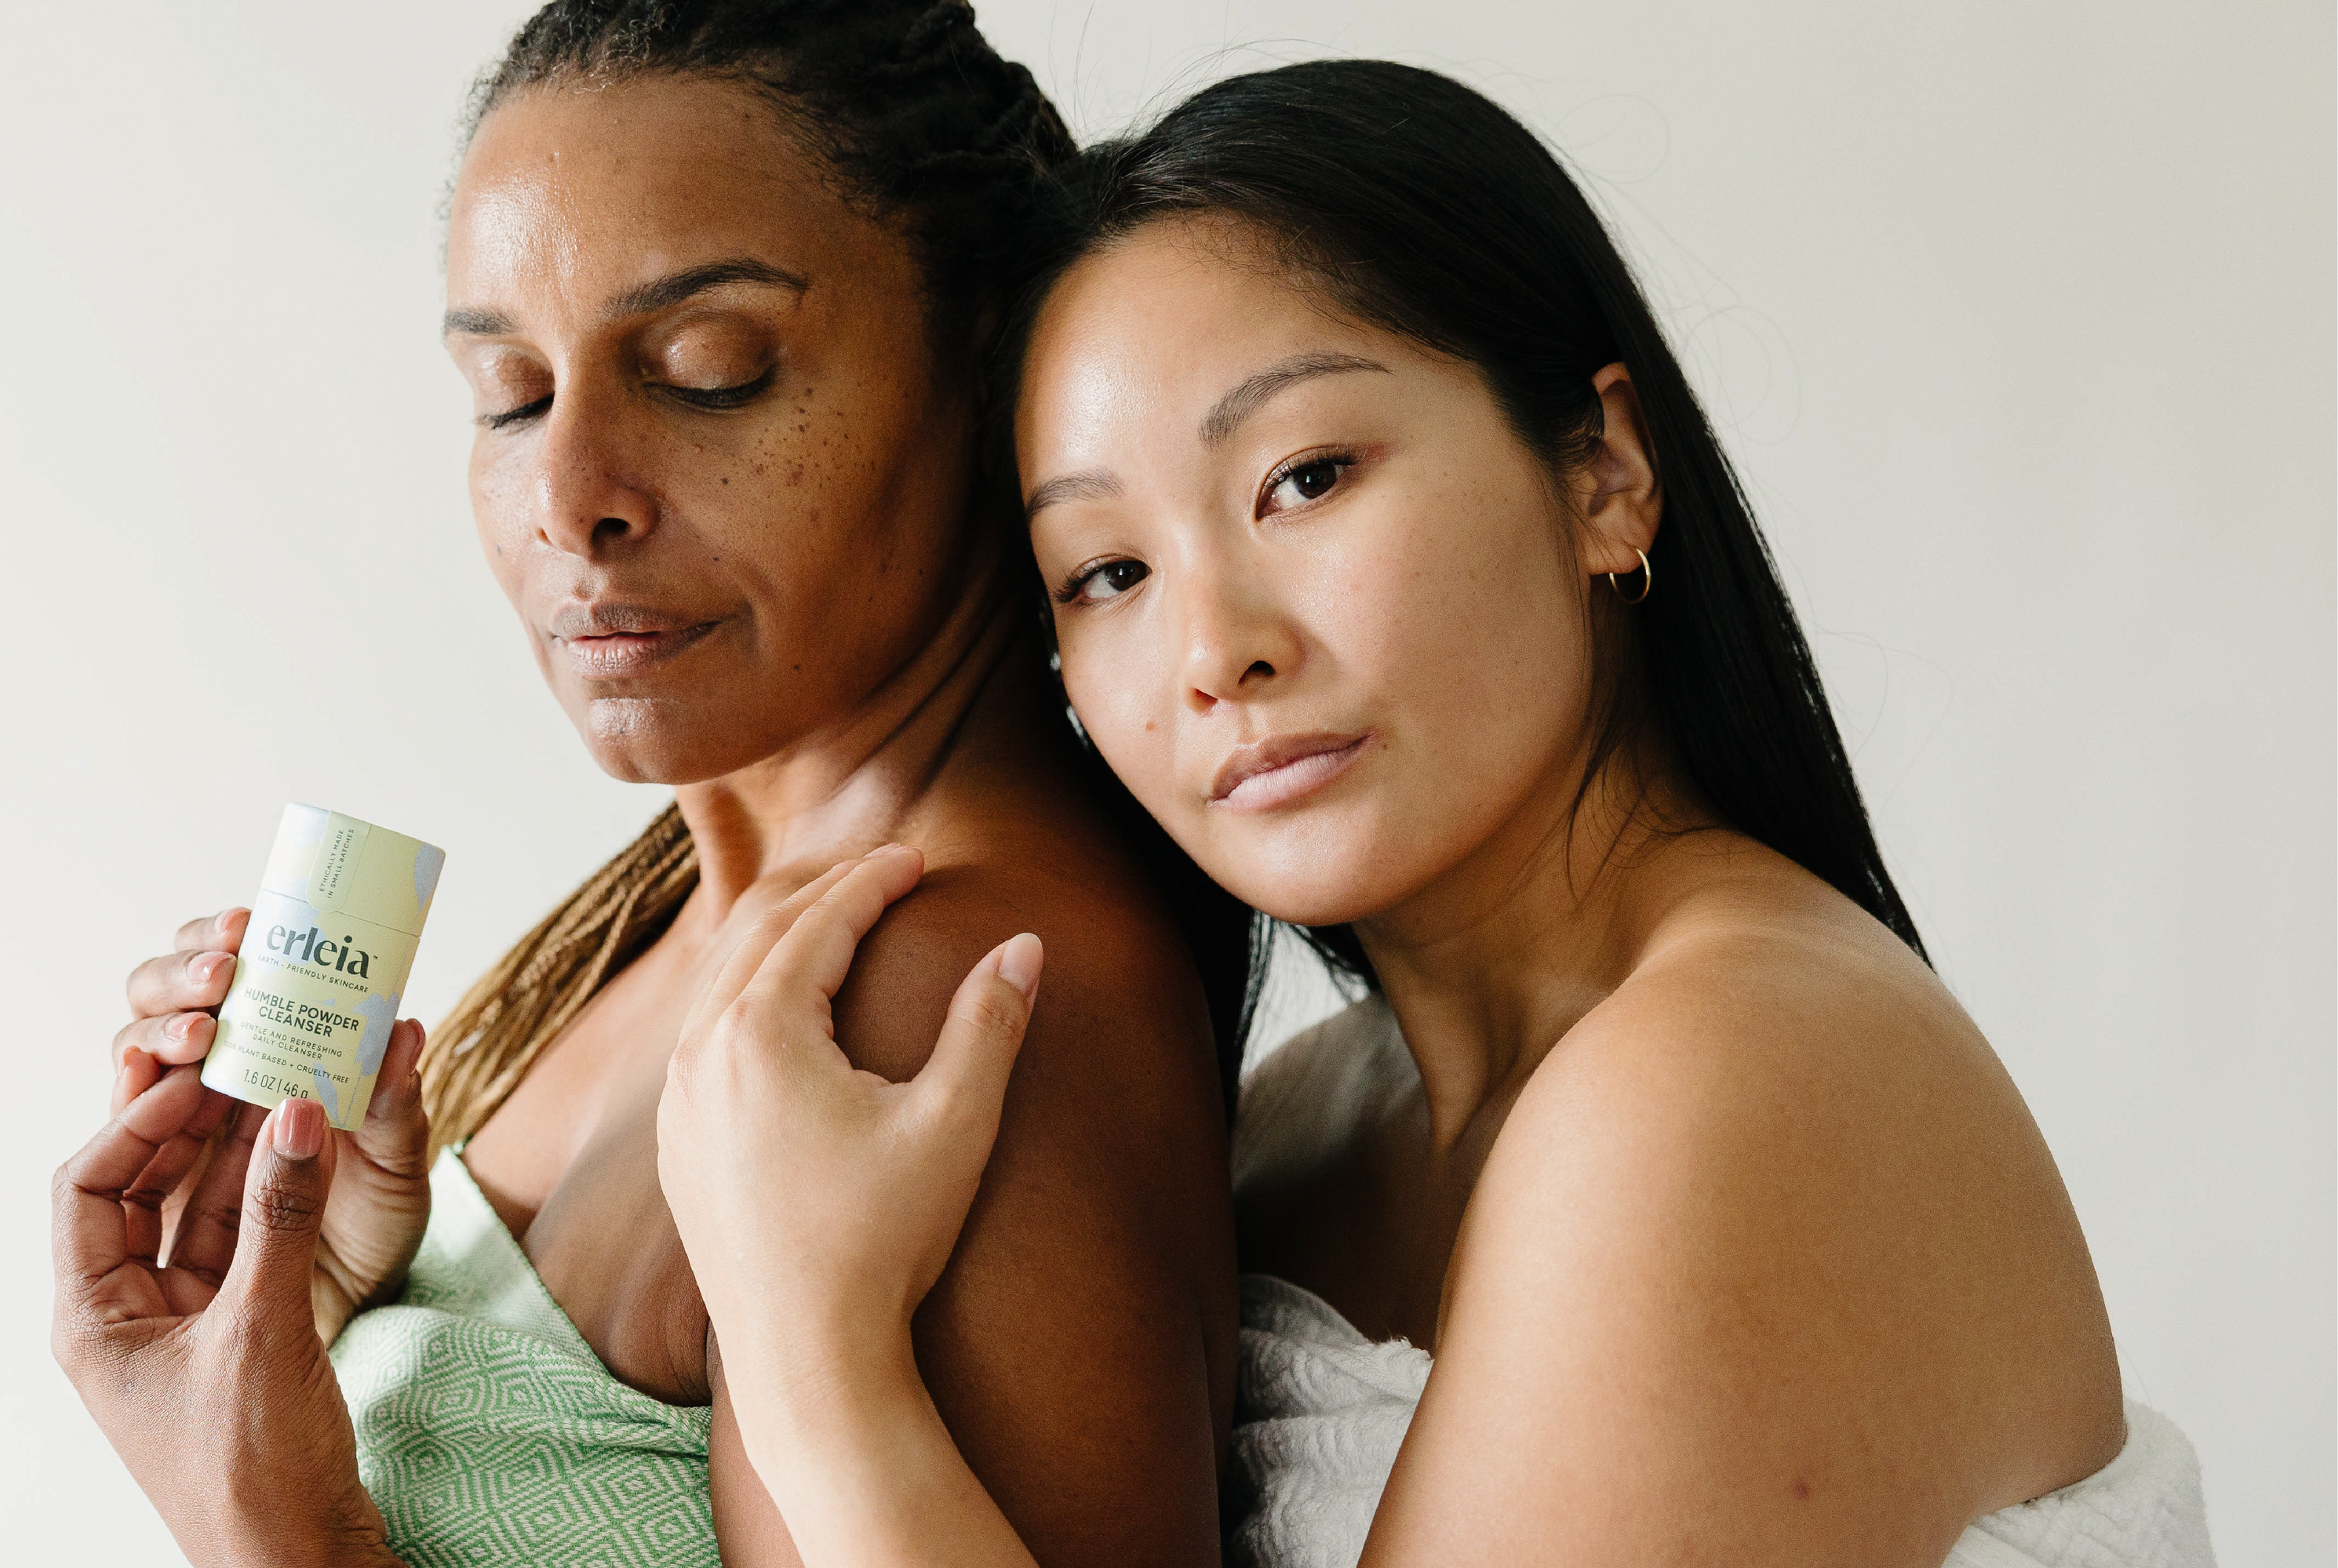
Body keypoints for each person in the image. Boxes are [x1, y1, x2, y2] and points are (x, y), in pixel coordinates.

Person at [653, 60, 2216, 1568]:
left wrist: (809, 1362)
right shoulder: (1313, 1125)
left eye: (1307, 478)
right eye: (1109, 573)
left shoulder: (1734, 1073)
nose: (1217, 652)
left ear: (1605, 470)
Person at [47, 5, 1251, 1565]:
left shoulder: (941, 1004)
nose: (568, 498)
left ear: (988, 362)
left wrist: (276, 1534)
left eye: (709, 368)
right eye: (510, 394)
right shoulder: (669, 919)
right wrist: (296, 1303)